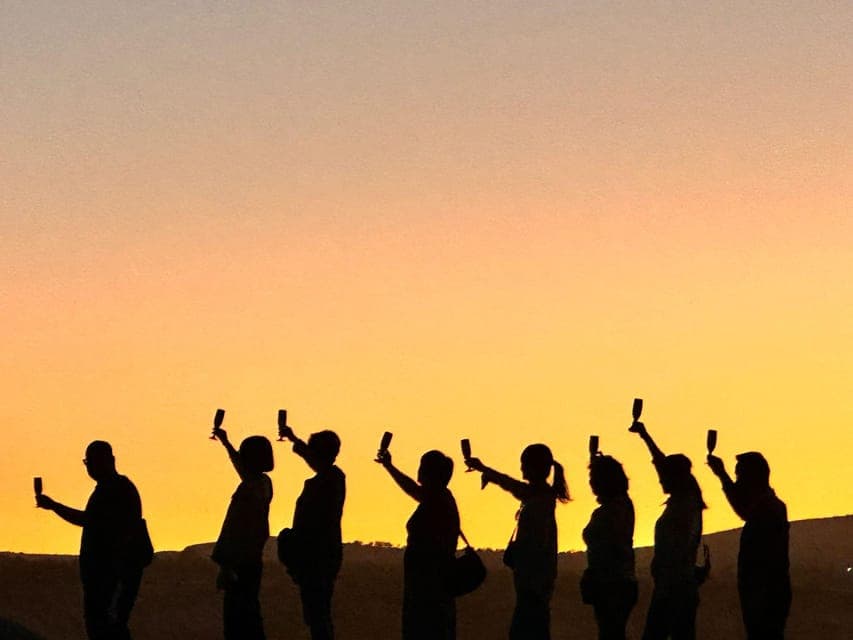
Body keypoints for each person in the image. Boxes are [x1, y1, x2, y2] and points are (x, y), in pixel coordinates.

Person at [36, 440, 149, 640]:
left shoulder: (116, 489)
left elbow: (88, 520)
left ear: (109, 461)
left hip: (111, 577)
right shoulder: (114, 488)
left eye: (93, 461)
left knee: (108, 629)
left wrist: (55, 506)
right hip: (108, 578)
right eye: (88, 462)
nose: (90, 467)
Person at [466, 444, 570, 640]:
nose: (521, 469)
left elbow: (511, 485)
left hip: (534, 583)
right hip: (534, 583)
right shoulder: (542, 496)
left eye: (524, 464)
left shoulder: (539, 497)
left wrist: (485, 470)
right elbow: (511, 485)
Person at [629, 422, 705, 640]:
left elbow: (678, 547)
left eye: (665, 476)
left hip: (674, 586)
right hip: (675, 584)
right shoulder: (687, 502)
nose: (660, 479)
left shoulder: (684, 507)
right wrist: (645, 436)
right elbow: (660, 462)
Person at [377, 448, 459, 640]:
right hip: (428, 585)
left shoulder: (437, 500)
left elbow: (413, 489)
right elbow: (413, 489)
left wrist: (389, 466)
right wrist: (389, 466)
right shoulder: (440, 498)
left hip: (428, 587)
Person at [707, 451, 790, 639]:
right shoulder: (771, 505)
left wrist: (722, 475)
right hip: (763, 590)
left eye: (740, 476)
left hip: (766, 592)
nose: (737, 482)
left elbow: (743, 510)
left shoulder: (770, 507)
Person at [278, 425, 346, 640]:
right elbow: (314, 459)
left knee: (317, 614)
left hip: (317, 557)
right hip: (319, 556)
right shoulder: (332, 477)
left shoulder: (330, 479)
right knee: (317, 613)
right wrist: (293, 439)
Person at [211, 427, 274, 640]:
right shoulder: (263, 484)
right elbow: (244, 469)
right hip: (251, 560)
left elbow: (236, 531)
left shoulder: (250, 490)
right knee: (249, 614)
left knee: (238, 618)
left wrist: (226, 565)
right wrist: (227, 444)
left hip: (240, 561)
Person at [582, 454, 637, 640]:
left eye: (594, 479)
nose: (591, 483)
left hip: (612, 584)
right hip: (616, 583)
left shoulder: (613, 510)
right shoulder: (623, 505)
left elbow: (609, 545)